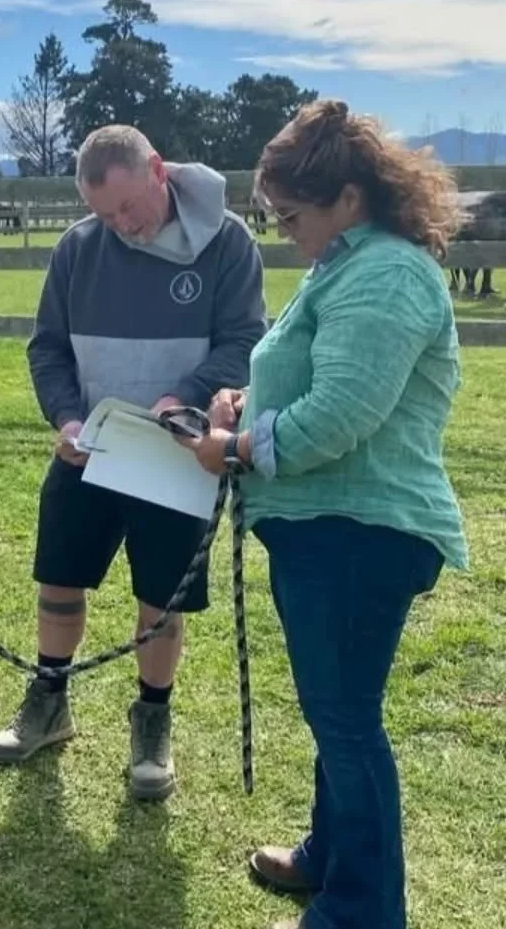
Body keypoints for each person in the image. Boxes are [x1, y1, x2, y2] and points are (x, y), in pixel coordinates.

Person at [180, 100, 469, 929]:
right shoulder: (349, 263)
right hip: (335, 528)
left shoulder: (384, 274)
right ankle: (330, 858)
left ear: (346, 197)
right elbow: (312, 379)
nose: (285, 232)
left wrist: (233, 450)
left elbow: (342, 413)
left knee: (345, 720)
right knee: (336, 707)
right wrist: (245, 398)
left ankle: (360, 912)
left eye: (292, 215)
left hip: (360, 532)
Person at [0, 124, 268, 801]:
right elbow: (47, 348)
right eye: (104, 213)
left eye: (128, 208)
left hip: (176, 455)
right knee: (58, 581)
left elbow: (245, 339)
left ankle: (152, 725)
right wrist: (66, 417)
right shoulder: (79, 247)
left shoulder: (229, 242)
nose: (121, 226)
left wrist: (190, 396)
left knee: (158, 601)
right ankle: (49, 703)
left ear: (159, 171)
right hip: (94, 449)